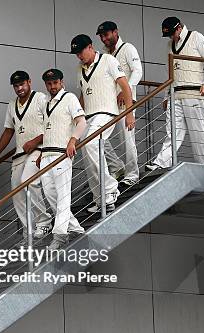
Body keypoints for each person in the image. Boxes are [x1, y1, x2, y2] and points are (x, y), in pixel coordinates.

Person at [70, 34, 135, 213]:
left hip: (106, 113)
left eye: (81, 51)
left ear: (90, 47)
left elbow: (125, 86)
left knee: (91, 144)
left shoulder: (108, 60)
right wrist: (78, 118)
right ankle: (101, 199)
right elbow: (83, 95)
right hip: (88, 117)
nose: (79, 56)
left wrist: (129, 114)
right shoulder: (79, 69)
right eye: (76, 53)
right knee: (88, 152)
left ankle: (111, 189)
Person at [0, 70, 52, 245]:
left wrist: (35, 141)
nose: (19, 88)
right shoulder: (12, 105)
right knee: (16, 190)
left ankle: (44, 221)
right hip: (20, 152)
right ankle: (30, 231)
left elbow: (52, 123)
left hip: (39, 147)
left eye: (22, 84)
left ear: (29, 82)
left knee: (29, 180)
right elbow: (9, 130)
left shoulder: (40, 98)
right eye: (16, 86)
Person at [147, 17, 204, 170]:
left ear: (178, 28)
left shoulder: (196, 37)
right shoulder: (170, 44)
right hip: (174, 94)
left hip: (194, 92)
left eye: (171, 33)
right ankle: (161, 163)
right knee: (172, 132)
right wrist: (166, 95)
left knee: (198, 132)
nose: (170, 37)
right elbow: (168, 71)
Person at [38, 69, 87, 249]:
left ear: (61, 82)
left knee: (63, 197)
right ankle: (76, 229)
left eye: (55, 83)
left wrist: (73, 140)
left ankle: (59, 236)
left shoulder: (70, 98)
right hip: (46, 155)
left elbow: (82, 122)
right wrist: (41, 153)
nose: (52, 86)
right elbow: (47, 130)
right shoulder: (45, 104)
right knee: (52, 197)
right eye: (49, 83)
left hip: (61, 154)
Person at [97, 21, 143, 186]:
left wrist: (127, 90)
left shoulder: (128, 48)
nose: (104, 39)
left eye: (106, 35)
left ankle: (132, 174)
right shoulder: (103, 54)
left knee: (127, 138)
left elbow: (138, 71)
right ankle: (117, 166)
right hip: (107, 104)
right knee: (97, 136)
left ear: (116, 32)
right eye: (101, 36)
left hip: (126, 103)